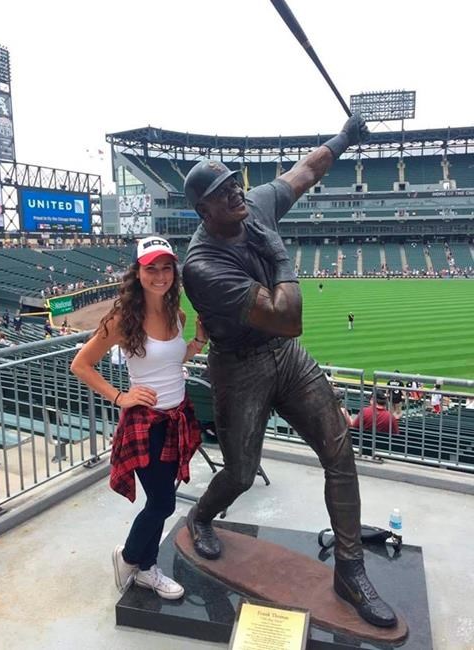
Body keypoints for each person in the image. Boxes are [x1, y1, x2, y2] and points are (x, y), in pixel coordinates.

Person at [182, 114, 397, 628]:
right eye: (221, 190)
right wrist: (277, 250)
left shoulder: (254, 205)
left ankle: (350, 569)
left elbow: (306, 169)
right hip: (241, 368)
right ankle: (199, 516)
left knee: (338, 451)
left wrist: (346, 137)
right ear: (203, 208)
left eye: (235, 182)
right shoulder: (202, 265)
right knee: (237, 473)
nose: (235, 191)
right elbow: (289, 317)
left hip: (284, 358)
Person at [71, 236, 205, 600]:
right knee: (163, 502)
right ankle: (129, 557)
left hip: (177, 417)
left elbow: (172, 363)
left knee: (162, 498)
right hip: (146, 425)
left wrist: (196, 345)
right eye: (151, 268)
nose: (160, 275)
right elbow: (81, 364)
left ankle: (147, 569)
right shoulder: (121, 320)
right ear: (138, 272)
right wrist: (120, 397)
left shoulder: (176, 314)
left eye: (166, 267)